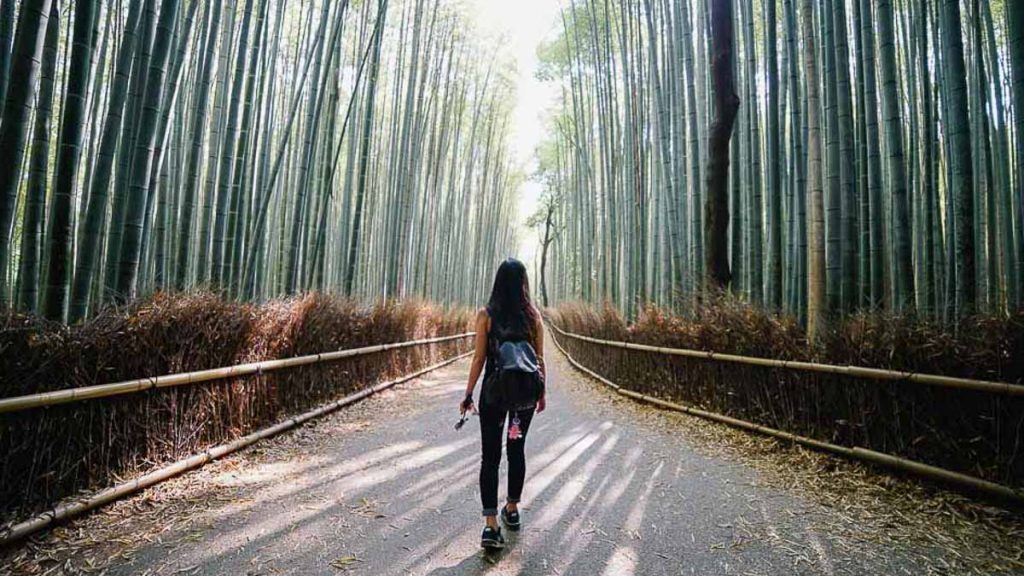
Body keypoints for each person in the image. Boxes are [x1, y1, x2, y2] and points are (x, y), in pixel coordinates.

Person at [459, 258, 546, 550]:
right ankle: (511, 509)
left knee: (490, 457)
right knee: (517, 450)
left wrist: (468, 393)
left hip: (494, 394)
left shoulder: (487, 315)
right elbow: (540, 360)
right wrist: (541, 393)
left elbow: (478, 358)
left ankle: (490, 527)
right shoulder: (533, 317)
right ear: (523, 284)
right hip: (524, 396)